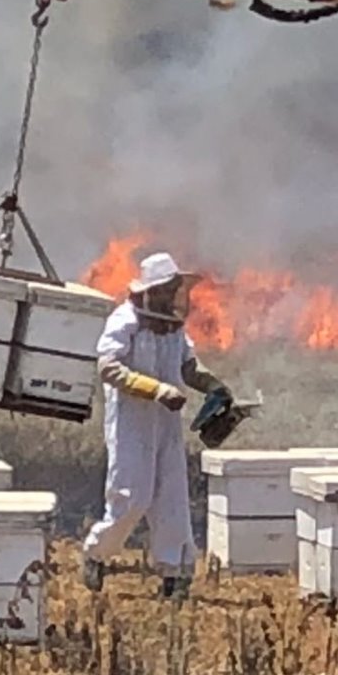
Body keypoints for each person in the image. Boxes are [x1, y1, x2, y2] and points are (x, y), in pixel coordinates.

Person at [81, 251, 230, 599]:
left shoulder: (174, 328)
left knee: (172, 498)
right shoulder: (124, 321)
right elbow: (108, 368)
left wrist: (215, 387)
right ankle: (96, 554)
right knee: (131, 497)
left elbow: (188, 366)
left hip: (166, 425)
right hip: (131, 424)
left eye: (174, 289)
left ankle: (175, 575)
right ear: (150, 290)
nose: (172, 297)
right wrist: (156, 389)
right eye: (167, 289)